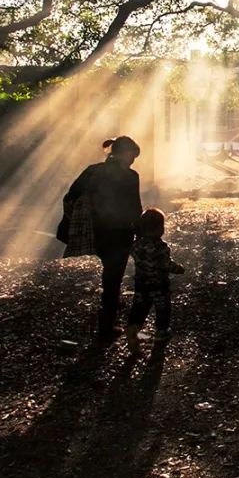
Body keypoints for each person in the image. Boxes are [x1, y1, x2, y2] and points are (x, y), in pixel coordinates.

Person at [63, 136, 143, 339]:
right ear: (125, 153)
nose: (133, 160)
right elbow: (135, 208)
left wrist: (80, 217)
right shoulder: (130, 176)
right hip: (121, 231)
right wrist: (141, 232)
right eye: (133, 155)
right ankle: (106, 325)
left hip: (98, 230)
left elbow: (71, 196)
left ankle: (107, 318)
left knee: (110, 275)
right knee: (113, 278)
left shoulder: (93, 171)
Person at [125, 208, 184, 354]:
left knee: (139, 307)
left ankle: (133, 327)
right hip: (159, 285)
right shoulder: (160, 247)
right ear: (159, 229)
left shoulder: (136, 245)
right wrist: (178, 269)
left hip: (141, 284)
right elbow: (166, 264)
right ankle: (161, 332)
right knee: (163, 309)